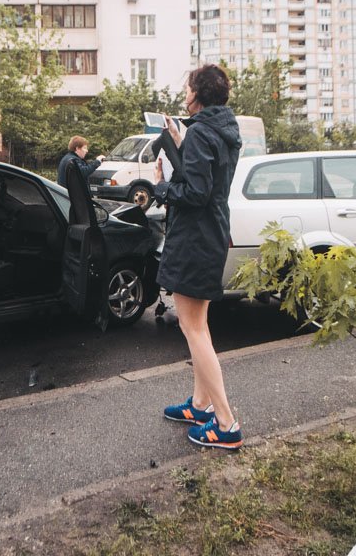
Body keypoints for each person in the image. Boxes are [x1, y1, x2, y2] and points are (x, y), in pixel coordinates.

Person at [153, 65, 243, 449]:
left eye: (187, 86)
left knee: (193, 329)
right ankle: (199, 404)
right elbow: (203, 178)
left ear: (198, 94)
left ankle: (225, 424)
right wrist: (178, 143)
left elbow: (195, 192)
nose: (184, 92)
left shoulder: (203, 131)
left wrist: (161, 187)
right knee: (199, 325)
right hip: (212, 232)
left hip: (196, 236)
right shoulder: (220, 129)